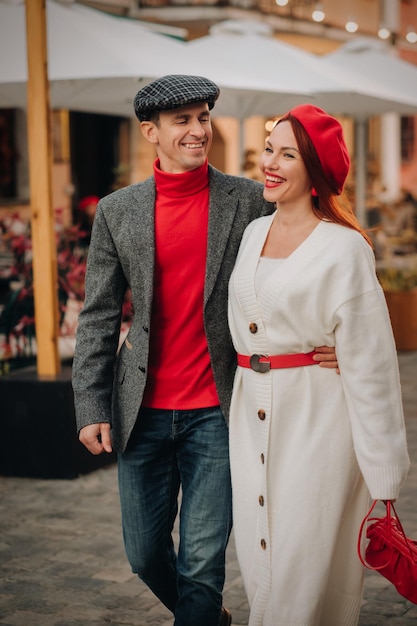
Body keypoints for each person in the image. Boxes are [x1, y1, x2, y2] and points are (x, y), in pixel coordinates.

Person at [71, 76, 338, 626]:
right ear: (151, 132)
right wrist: (91, 407)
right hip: (140, 411)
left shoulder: (246, 199)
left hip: (219, 411)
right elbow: (98, 315)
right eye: (182, 121)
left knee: (200, 564)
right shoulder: (118, 211)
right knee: (144, 554)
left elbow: (306, 259)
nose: (198, 130)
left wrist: (336, 334)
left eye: (203, 117)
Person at [227, 104, 410, 626]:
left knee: (300, 568)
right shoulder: (251, 234)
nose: (271, 163)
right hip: (250, 417)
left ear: (315, 170)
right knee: (260, 562)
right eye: (269, 149)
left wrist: (384, 476)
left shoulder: (345, 247)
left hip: (318, 418)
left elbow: (372, 363)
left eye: (288, 154)